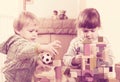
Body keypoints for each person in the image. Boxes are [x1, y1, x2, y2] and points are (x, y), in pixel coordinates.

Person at [0, 11, 61, 82]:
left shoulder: (30, 43)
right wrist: (42, 47)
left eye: (36, 31)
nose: (35, 34)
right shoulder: (17, 43)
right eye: (31, 31)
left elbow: (32, 55)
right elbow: (25, 50)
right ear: (18, 30)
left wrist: (39, 63)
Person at [63, 8, 113, 81]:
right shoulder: (76, 42)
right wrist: (74, 60)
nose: (89, 34)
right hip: (81, 76)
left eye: (92, 31)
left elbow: (112, 59)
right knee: (68, 74)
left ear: (99, 28)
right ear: (79, 29)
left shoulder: (102, 40)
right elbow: (66, 58)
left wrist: (104, 58)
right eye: (85, 31)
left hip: (99, 76)